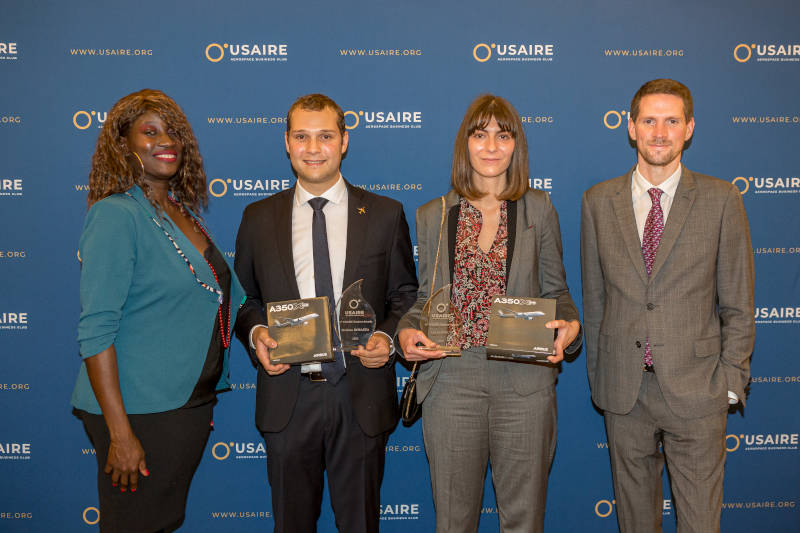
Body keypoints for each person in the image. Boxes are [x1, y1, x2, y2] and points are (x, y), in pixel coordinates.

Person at [396, 94, 582, 533]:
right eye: (480, 135)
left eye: (503, 135)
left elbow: (559, 294)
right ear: (465, 144)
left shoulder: (538, 209)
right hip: (451, 380)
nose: (492, 146)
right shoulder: (434, 215)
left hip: (524, 380)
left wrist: (569, 328)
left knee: (523, 520)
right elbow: (425, 301)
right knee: (454, 522)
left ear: (516, 145)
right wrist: (406, 333)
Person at [233, 93, 418, 533]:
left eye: (324, 136)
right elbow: (242, 300)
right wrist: (258, 334)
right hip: (287, 398)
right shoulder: (257, 217)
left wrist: (389, 341)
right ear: (287, 143)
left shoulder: (385, 214)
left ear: (344, 141)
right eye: (302, 136)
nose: (313, 148)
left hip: (360, 396)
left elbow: (405, 295)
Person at [580, 79, 755, 533]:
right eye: (650, 120)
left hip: (699, 391)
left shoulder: (721, 200)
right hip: (625, 391)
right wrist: (602, 379)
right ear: (632, 128)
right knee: (635, 523)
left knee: (700, 522)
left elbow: (738, 301)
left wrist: (730, 382)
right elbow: (595, 301)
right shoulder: (598, 201)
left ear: (689, 128)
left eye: (672, 121)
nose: (660, 132)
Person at [72, 89, 246, 533]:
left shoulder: (178, 212)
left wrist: (264, 333)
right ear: (123, 144)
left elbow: (229, 298)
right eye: (149, 132)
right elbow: (96, 331)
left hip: (181, 406)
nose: (165, 141)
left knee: (161, 522)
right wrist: (120, 434)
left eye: (173, 133)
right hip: (137, 413)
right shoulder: (116, 215)